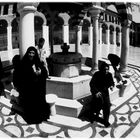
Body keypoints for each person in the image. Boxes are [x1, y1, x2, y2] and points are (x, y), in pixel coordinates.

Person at [11, 46, 50, 124]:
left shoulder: (38, 62)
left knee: (38, 105)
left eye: (33, 53)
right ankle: (31, 119)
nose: (31, 55)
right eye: (30, 53)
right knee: (30, 106)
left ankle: (39, 118)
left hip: (37, 90)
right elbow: (17, 75)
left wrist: (40, 73)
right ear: (27, 53)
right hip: (28, 90)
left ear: (35, 54)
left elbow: (45, 73)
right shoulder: (23, 63)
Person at [89, 61, 114, 127]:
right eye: (105, 69)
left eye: (107, 69)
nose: (106, 71)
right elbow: (92, 84)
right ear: (101, 69)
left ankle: (106, 121)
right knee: (98, 105)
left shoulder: (109, 75)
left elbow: (111, 82)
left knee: (107, 106)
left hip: (105, 92)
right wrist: (96, 92)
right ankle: (93, 117)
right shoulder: (97, 74)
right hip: (97, 91)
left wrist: (111, 85)